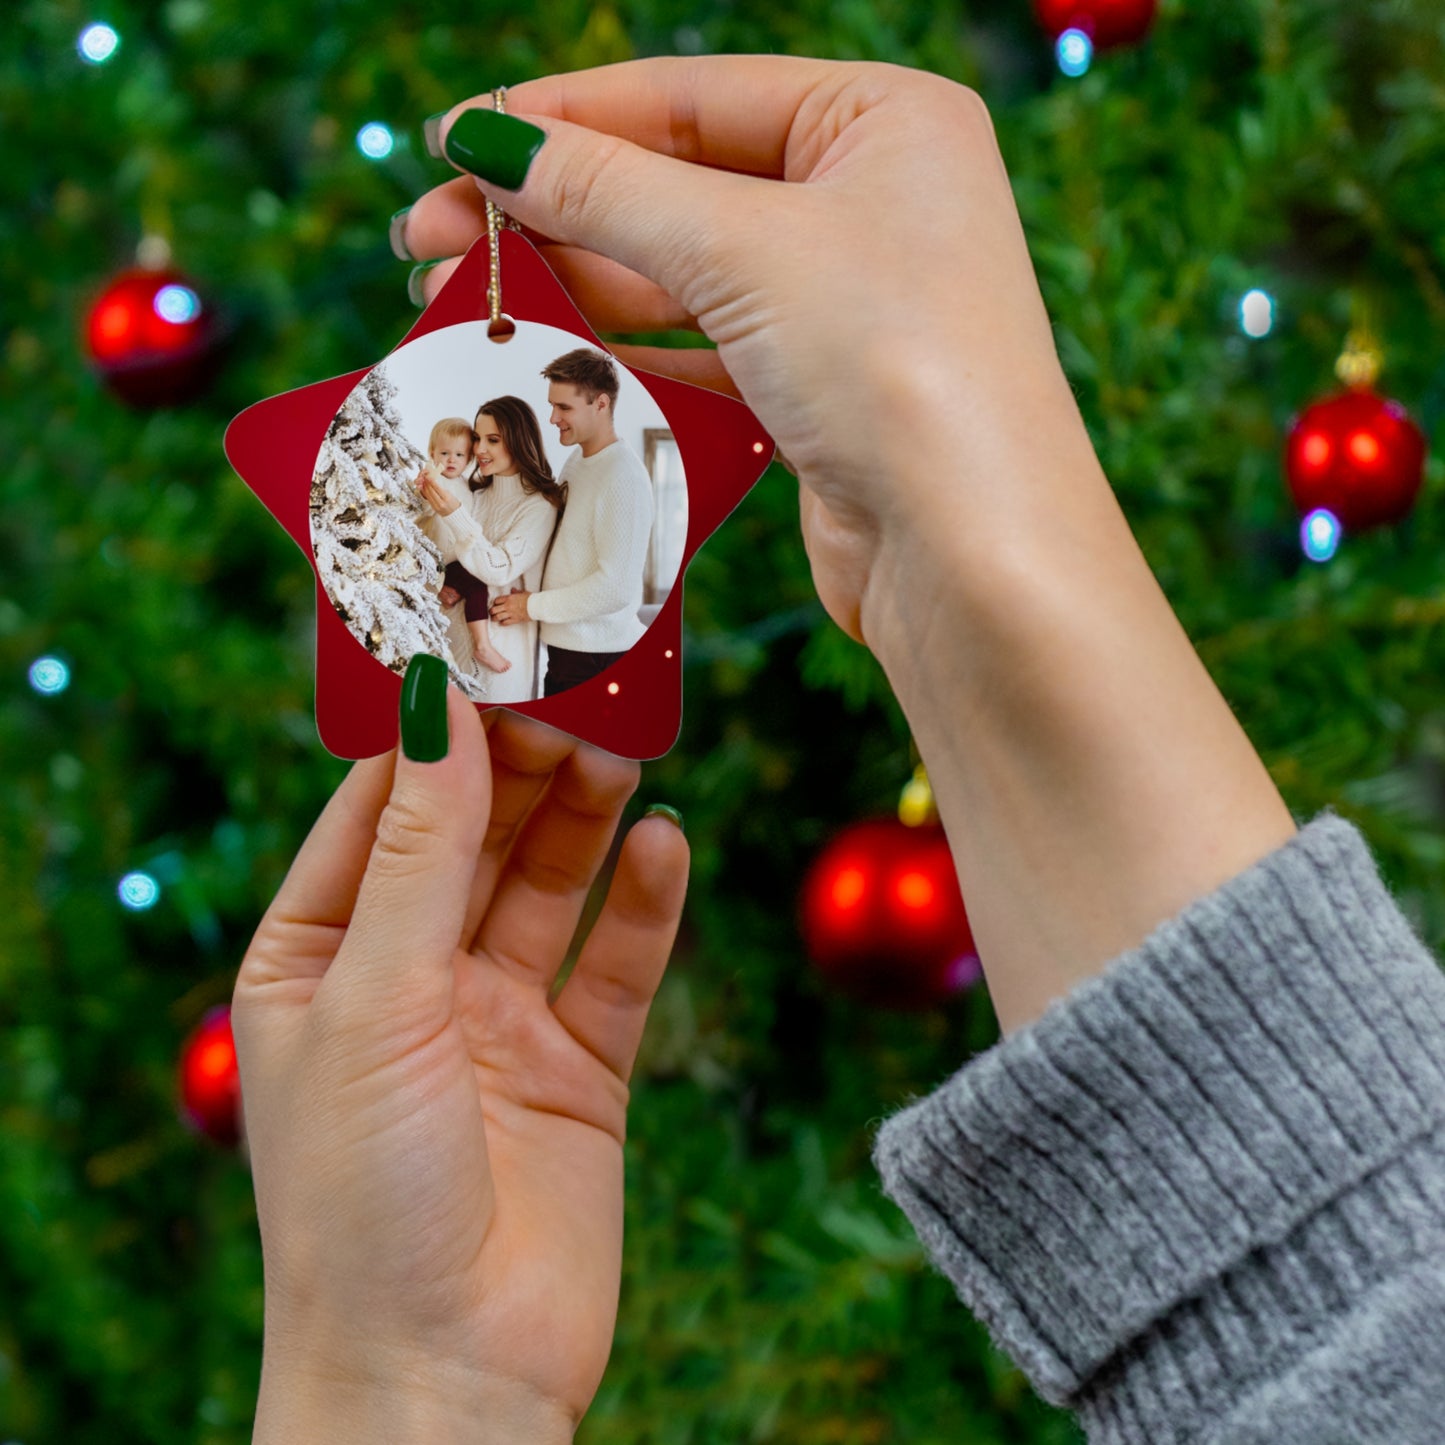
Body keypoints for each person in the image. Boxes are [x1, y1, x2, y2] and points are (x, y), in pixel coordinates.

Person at [233, 56, 1445, 1445]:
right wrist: (416, 1385)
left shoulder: (585, 495)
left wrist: (395, 1389)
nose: (511, 459)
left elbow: (1367, 1335)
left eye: (518, 449)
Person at [487, 348, 654, 697]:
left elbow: (616, 588)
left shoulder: (622, 477)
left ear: (601, 404)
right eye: (552, 405)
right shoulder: (579, 459)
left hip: (596, 661)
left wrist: (531, 606)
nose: (552, 418)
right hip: (570, 656)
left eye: (564, 408)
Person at [414, 395, 565, 703]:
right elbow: (433, 550)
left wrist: (454, 514)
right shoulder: (472, 496)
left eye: (492, 440)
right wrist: (436, 585)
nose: (479, 450)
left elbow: (499, 569)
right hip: (446, 649)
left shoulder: (538, 505)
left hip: (501, 662)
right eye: (478, 439)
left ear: (518, 440)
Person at [422, 416, 513, 675]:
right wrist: (423, 487)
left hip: (458, 560)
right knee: (477, 584)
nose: (451, 460)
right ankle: (482, 645)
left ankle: (453, 594)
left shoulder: (466, 486)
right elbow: (424, 507)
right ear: (432, 453)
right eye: (444, 453)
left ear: (469, 459)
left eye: (459, 454)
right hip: (439, 563)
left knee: (477, 579)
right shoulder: (433, 480)